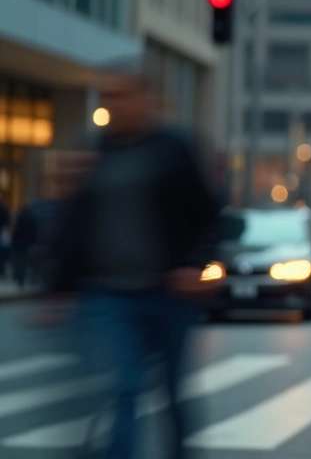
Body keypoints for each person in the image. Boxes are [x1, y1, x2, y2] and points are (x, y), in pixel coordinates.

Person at [47, 64, 223, 459]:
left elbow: (211, 216)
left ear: (146, 99)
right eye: (107, 97)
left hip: (168, 293)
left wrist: (195, 264)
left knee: (173, 394)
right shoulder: (94, 152)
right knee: (122, 388)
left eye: (121, 95)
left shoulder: (175, 149)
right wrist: (58, 288)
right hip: (109, 295)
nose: (113, 105)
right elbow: (74, 223)